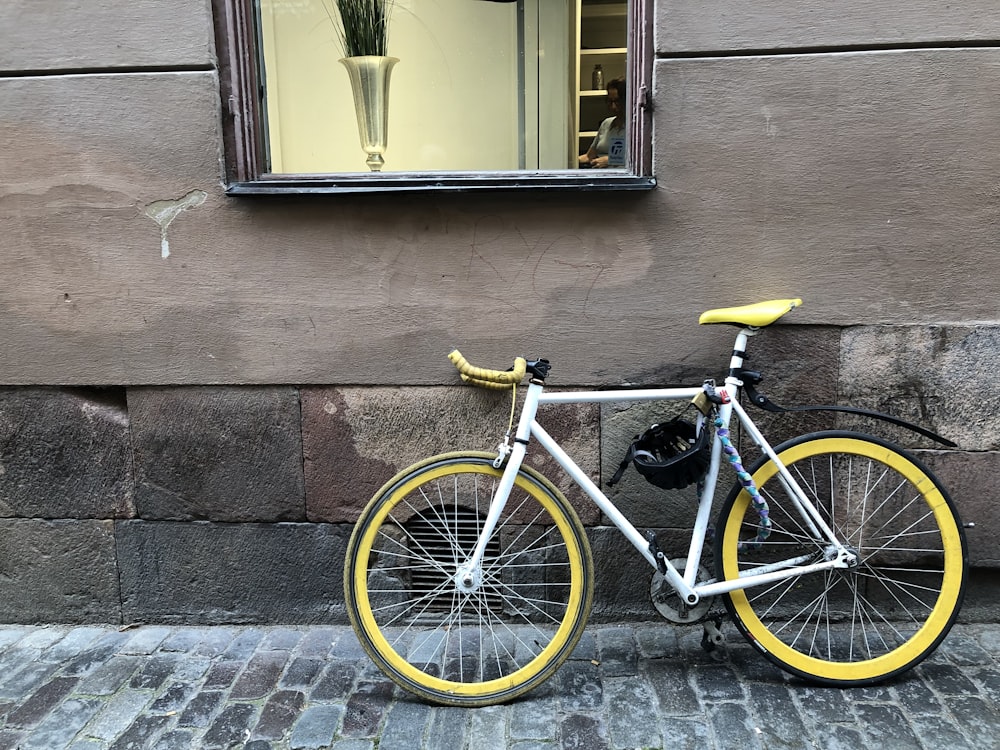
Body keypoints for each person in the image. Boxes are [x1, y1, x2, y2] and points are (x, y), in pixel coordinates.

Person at [579, 77, 625, 169]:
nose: (613, 106)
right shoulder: (606, 123)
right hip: (601, 177)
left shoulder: (635, 127)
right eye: (610, 101)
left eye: (617, 101)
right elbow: (589, 156)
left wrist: (610, 161)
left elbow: (641, 159)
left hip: (623, 179)